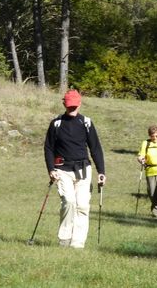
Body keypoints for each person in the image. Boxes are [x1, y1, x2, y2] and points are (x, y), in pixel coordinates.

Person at [44, 89, 106, 248]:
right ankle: (64, 239)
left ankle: (78, 243)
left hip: (83, 169)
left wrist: (101, 172)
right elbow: (49, 148)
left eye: (74, 105)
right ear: (64, 104)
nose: (72, 108)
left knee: (82, 205)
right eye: (69, 105)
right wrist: (51, 169)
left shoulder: (86, 122)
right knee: (69, 201)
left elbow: (96, 148)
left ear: (79, 104)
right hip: (62, 169)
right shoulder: (56, 123)